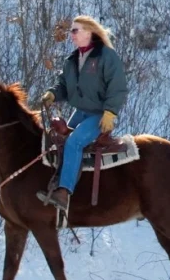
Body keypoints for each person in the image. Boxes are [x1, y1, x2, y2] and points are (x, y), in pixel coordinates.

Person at [37, 15, 129, 213]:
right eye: (71, 30)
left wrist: (110, 112)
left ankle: (63, 192)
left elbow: (118, 87)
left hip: (99, 115)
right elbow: (63, 84)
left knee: (74, 142)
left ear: (89, 32)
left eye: (75, 30)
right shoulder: (72, 60)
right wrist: (53, 93)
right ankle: (57, 181)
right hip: (81, 112)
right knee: (59, 141)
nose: (71, 34)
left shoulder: (106, 56)